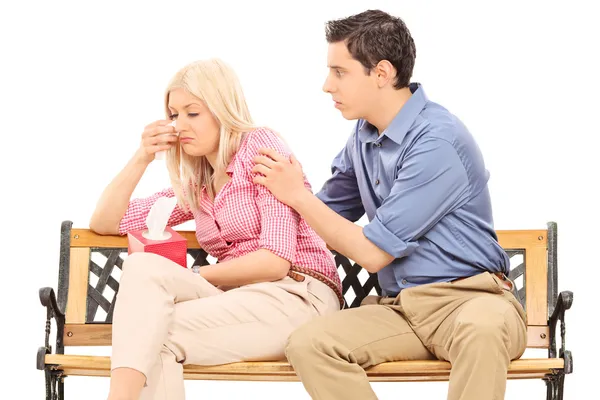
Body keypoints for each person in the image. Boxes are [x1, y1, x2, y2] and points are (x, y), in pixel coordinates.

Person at [252, 9, 527, 400]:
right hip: (401, 309)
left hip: (472, 301)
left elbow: (373, 253)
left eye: (340, 72)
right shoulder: (363, 136)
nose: (327, 85)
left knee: (480, 333)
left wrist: (294, 193)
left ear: (381, 73)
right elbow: (321, 217)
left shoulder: (437, 141)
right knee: (310, 344)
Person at [89, 58, 342, 400]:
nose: (179, 126)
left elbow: (275, 261)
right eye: (174, 115)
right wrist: (142, 157)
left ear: (222, 109)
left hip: (298, 294)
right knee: (143, 281)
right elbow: (106, 222)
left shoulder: (261, 150)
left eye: (192, 113)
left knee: (149, 333)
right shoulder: (198, 184)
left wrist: (195, 276)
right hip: (242, 299)